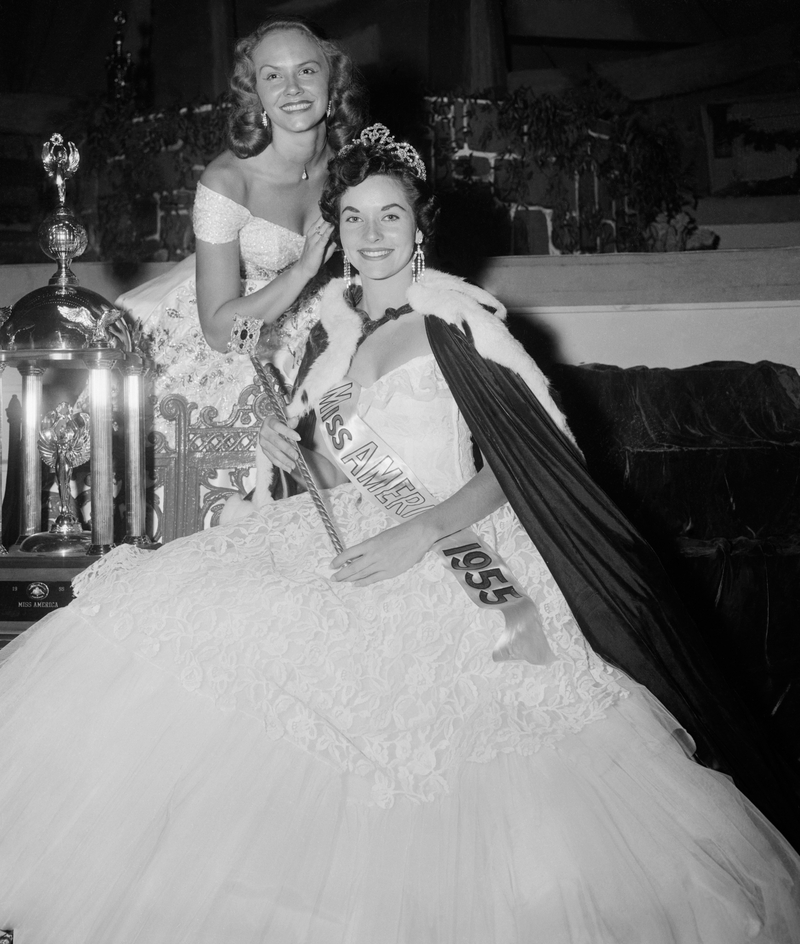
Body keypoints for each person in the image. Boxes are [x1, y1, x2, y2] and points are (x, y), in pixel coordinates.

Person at [1, 127, 799, 943]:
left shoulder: (455, 321)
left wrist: (417, 536)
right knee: (173, 613)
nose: (371, 236)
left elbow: (524, 465)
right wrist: (297, 452)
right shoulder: (337, 336)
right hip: (356, 528)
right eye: (353, 218)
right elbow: (345, 468)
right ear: (335, 231)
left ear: (422, 227)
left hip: (456, 546)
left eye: (390, 216)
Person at [116, 15, 366, 433]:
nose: (293, 90)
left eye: (306, 70)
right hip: (233, 334)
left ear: (333, 81)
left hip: (319, 326)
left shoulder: (351, 165)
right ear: (256, 95)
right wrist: (303, 272)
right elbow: (219, 334)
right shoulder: (228, 183)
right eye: (273, 76)